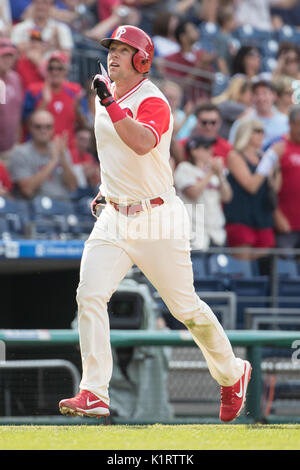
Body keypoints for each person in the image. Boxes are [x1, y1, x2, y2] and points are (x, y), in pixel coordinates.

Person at [58, 24, 252, 423]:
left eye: (123, 49)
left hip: (156, 217)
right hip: (114, 214)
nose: (113, 54)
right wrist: (103, 187)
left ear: (142, 59)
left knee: (187, 309)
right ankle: (94, 391)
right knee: (89, 295)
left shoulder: (153, 100)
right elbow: (114, 154)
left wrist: (110, 103)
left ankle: (233, 372)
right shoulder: (105, 95)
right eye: (110, 47)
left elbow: (142, 143)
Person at [224, 117, 282, 258]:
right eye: (257, 131)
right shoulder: (234, 155)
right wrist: (268, 161)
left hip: (263, 217)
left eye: (263, 131)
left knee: (263, 273)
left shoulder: (264, 157)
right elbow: (251, 186)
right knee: (244, 271)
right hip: (241, 217)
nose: (262, 135)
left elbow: (275, 188)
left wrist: (275, 165)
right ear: (246, 132)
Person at [174, 134, 232, 251]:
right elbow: (193, 193)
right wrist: (211, 173)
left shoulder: (216, 172)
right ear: (194, 151)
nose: (210, 151)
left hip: (216, 234)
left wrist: (219, 175)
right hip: (194, 233)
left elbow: (227, 197)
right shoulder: (184, 168)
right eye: (206, 148)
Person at [23, 51, 86, 152]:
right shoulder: (34, 90)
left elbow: (84, 126)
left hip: (68, 151)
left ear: (66, 71)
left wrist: (77, 110)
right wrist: (44, 102)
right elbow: (27, 125)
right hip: (40, 152)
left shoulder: (75, 91)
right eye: (51, 68)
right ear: (46, 70)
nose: (54, 72)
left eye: (59, 68)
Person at [9, 109, 78, 200]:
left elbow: (73, 187)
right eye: (38, 127)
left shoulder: (61, 150)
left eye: (48, 127)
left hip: (64, 205)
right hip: (37, 208)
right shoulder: (20, 153)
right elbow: (27, 189)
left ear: (53, 128)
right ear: (30, 128)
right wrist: (53, 161)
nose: (43, 130)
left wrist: (63, 158)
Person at [161, 19, 215, 103]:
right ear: (183, 38)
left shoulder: (202, 54)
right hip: (182, 105)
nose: (196, 31)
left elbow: (211, 83)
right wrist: (200, 65)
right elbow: (178, 87)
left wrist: (206, 66)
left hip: (202, 103)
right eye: (192, 30)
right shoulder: (171, 59)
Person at [229, 77, 290, 150]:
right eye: (256, 93)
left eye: (265, 93)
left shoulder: (286, 122)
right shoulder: (242, 122)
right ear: (252, 97)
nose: (261, 98)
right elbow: (232, 148)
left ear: (274, 96)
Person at [273, 105, 300, 249]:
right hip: (286, 223)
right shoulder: (278, 147)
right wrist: (276, 214)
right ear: (290, 124)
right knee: (285, 268)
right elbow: (268, 187)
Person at [0, 38, 23, 166]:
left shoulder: (16, 79)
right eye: (3, 56)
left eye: (10, 56)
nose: (7, 60)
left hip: (12, 148)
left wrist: (17, 143)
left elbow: (17, 112)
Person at [213, 75, 253, 139]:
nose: (252, 96)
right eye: (250, 92)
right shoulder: (230, 105)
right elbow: (254, 115)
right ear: (240, 92)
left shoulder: (223, 102)